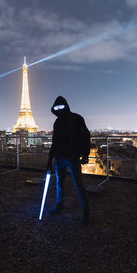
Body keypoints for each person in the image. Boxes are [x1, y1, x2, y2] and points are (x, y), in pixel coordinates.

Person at [47, 96, 90, 226]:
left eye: (61, 107)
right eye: (57, 108)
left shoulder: (77, 118)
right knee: (59, 184)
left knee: (79, 185)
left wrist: (85, 154)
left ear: (66, 106)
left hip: (73, 157)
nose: (59, 109)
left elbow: (86, 136)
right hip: (60, 157)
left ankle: (86, 213)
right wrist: (50, 158)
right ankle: (59, 206)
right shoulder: (57, 122)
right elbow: (55, 142)